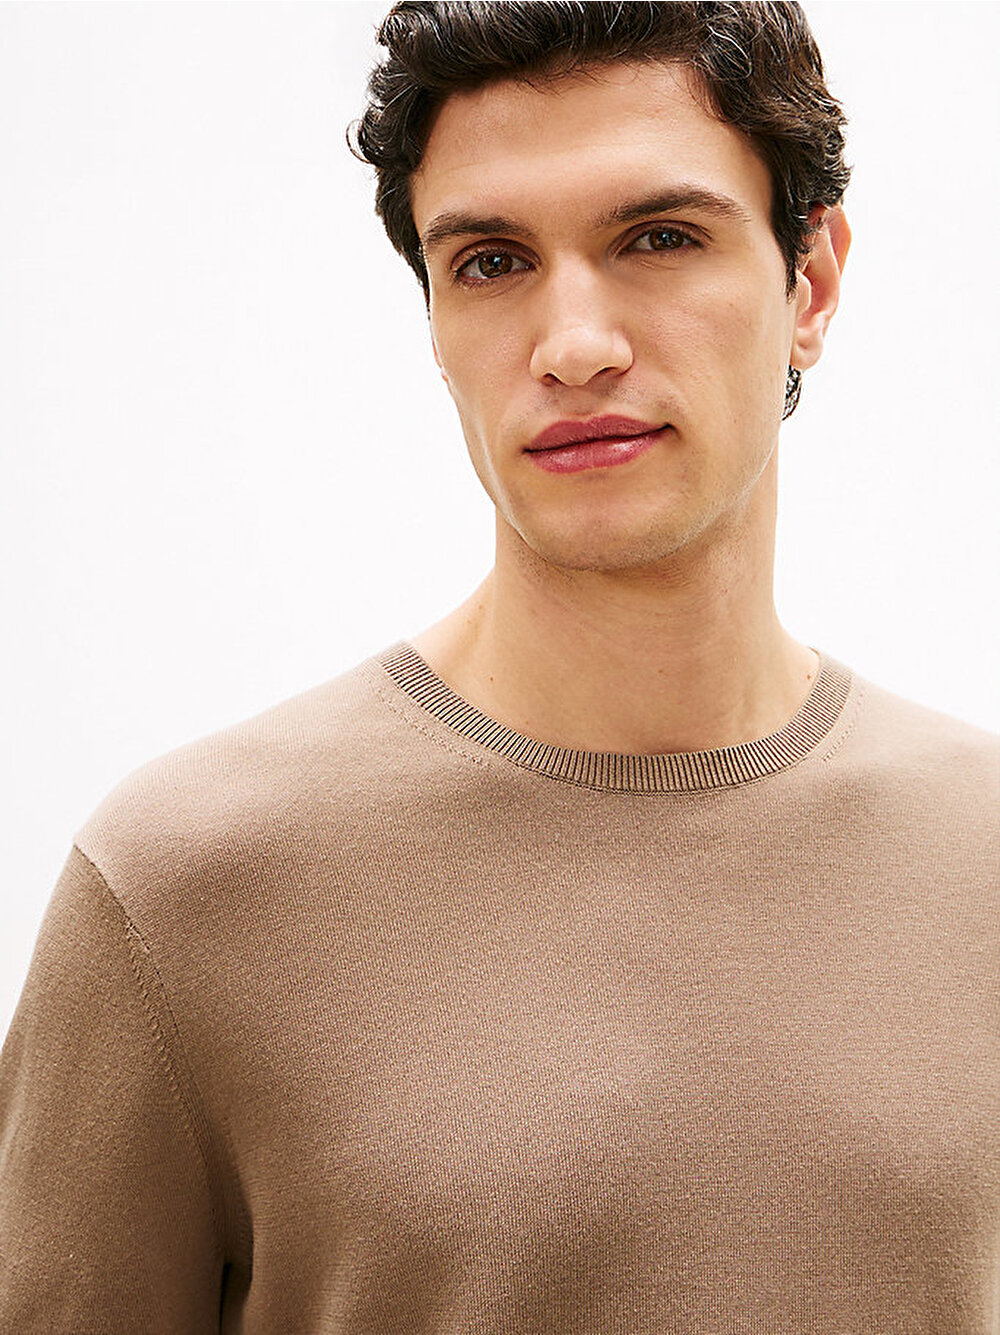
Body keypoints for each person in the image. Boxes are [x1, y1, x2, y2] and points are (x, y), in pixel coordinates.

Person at [1, 2, 996, 1331]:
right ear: (433, 318)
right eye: (490, 262)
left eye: (659, 237)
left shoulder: (983, 860)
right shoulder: (185, 891)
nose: (574, 344)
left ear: (809, 283)